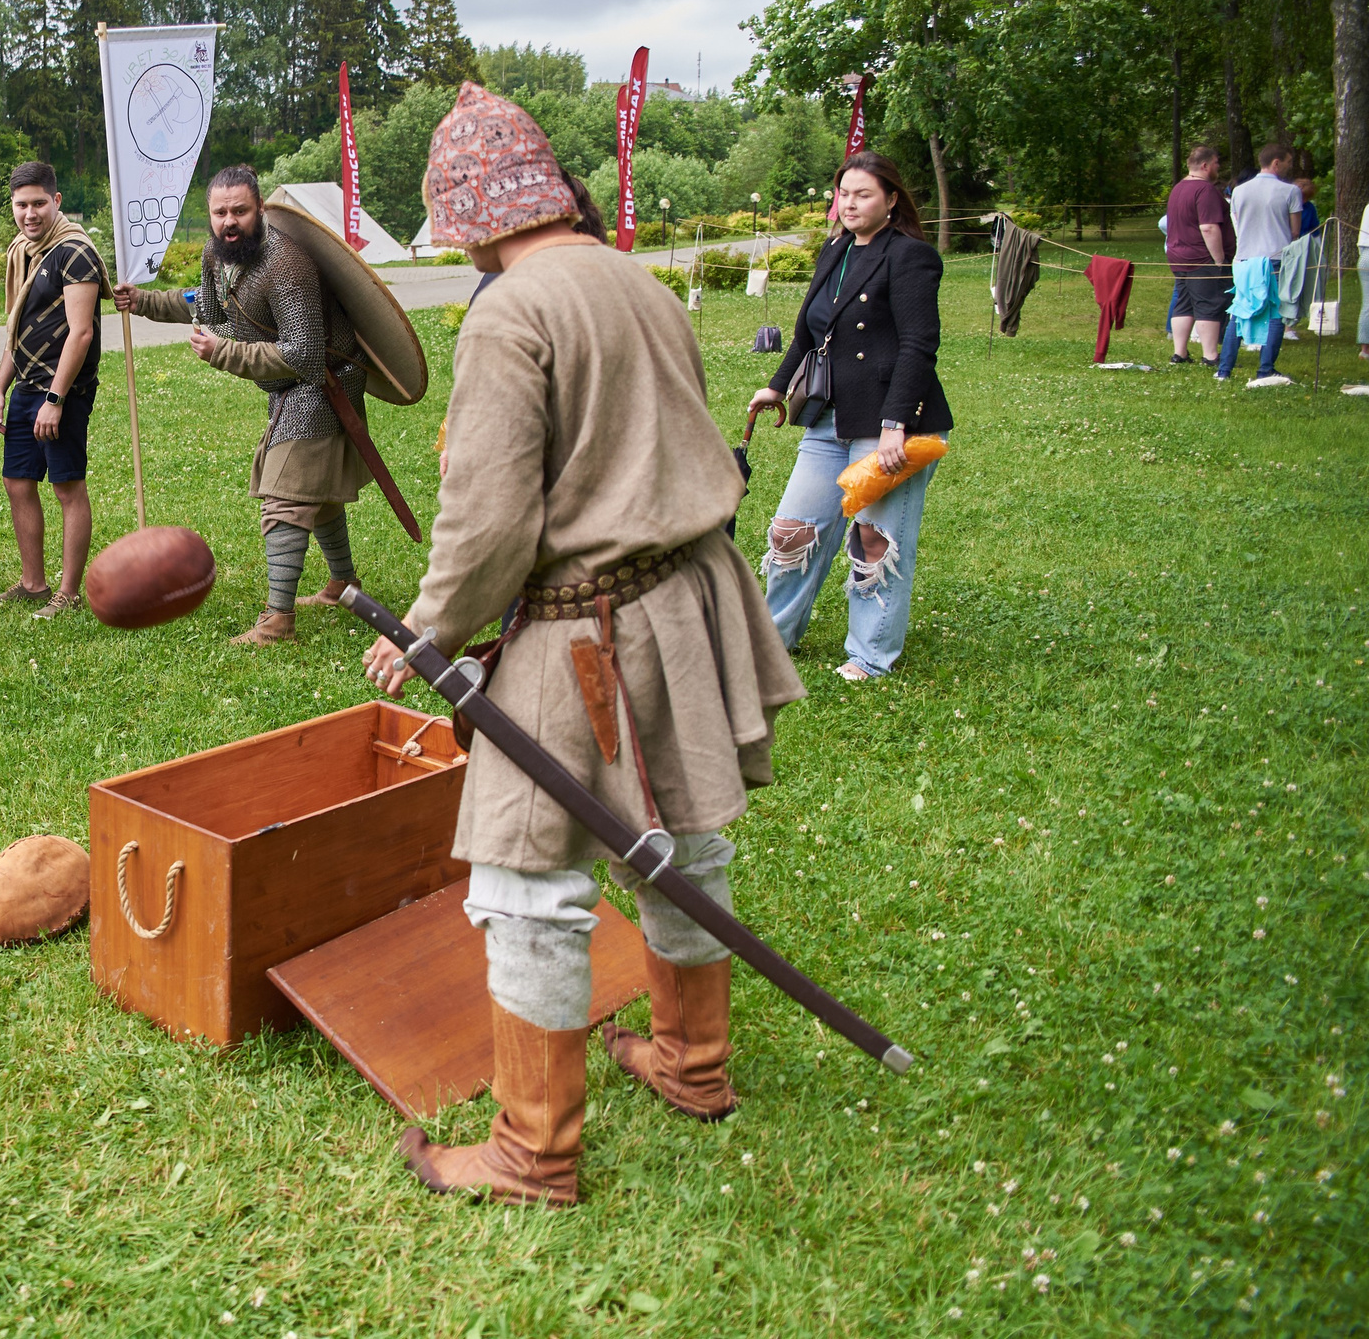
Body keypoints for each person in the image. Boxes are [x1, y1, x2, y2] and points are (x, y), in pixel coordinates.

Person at [363, 82, 803, 1207]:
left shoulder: (510, 311)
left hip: (586, 628)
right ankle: (692, 1061)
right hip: (686, 597)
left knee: (526, 875)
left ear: (467, 216)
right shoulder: (633, 279)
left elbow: (491, 518)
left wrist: (430, 627)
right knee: (682, 839)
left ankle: (533, 1151)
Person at [115, 166, 367, 644]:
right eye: (220, 212)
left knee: (286, 498)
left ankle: (277, 622)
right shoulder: (218, 253)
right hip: (291, 389)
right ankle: (342, 585)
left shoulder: (286, 264)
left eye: (240, 211)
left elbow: (305, 354)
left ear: (260, 209)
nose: (229, 222)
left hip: (323, 385)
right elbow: (206, 307)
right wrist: (143, 301)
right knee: (316, 492)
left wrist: (224, 352)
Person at [752, 151, 953, 683]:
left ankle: (869, 656)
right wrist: (777, 386)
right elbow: (808, 333)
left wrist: (895, 425)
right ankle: (773, 641)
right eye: (844, 193)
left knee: (874, 541)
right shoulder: (835, 249)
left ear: (891, 200)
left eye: (863, 194)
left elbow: (918, 345)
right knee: (791, 533)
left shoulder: (911, 256)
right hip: (829, 420)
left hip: (889, 424)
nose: (850, 203)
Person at [0, 161, 104, 617]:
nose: (30, 213)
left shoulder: (74, 252)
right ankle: (33, 584)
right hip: (25, 388)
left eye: (38, 203)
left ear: (56, 201)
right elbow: (17, 330)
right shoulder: (24, 251)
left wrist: (55, 400)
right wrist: (0, 389)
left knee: (67, 487)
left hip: (63, 392)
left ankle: (68, 593)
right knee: (17, 482)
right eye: (21, 205)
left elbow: (81, 333)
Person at [1221, 142, 1304, 386]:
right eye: (1288, 162)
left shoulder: (1239, 191)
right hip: (1275, 257)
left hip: (1245, 258)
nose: (1289, 167)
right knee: (1276, 313)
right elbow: (1295, 231)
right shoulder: (1290, 191)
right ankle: (1266, 368)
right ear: (1276, 163)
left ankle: (1224, 369)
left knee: (1239, 311)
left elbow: (1238, 222)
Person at [1162, 145, 1233, 366]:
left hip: (1178, 255)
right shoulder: (1205, 190)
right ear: (1205, 165)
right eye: (1216, 163)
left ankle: (1180, 352)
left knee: (1184, 303)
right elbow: (1208, 227)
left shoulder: (1178, 188)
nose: (1218, 167)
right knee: (1208, 303)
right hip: (1201, 257)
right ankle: (1210, 355)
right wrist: (1219, 259)